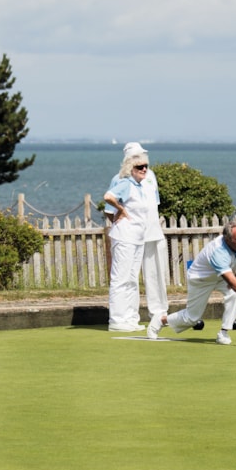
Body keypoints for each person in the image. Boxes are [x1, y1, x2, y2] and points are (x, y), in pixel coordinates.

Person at [147, 222, 236, 346]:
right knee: (191, 318)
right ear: (227, 239)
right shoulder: (218, 251)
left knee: (235, 295)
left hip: (221, 276)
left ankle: (224, 332)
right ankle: (161, 320)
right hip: (200, 279)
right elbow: (231, 282)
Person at [103, 142, 167, 332]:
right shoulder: (122, 181)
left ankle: (130, 318)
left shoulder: (145, 180)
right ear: (130, 164)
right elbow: (108, 200)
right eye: (139, 165)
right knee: (121, 278)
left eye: (145, 164)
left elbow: (151, 206)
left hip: (142, 236)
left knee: (132, 278)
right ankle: (117, 319)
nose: (144, 168)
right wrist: (121, 212)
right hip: (126, 235)